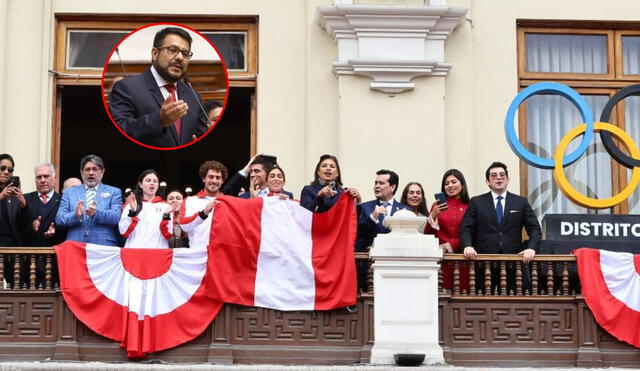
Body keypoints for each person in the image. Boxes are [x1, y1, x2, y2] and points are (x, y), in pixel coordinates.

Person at [109, 27, 209, 148]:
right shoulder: (127, 88)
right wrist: (159, 120)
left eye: (185, 53)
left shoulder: (193, 95)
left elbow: (200, 134)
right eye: (172, 50)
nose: (180, 57)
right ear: (155, 53)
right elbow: (121, 129)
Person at [459, 162, 542, 293]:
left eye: (502, 175)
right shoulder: (477, 202)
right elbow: (466, 228)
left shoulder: (520, 202)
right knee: (483, 303)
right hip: (484, 262)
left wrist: (531, 248)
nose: (499, 178)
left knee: (513, 303)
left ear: (508, 179)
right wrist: (467, 246)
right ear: (487, 181)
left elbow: (535, 229)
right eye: (494, 175)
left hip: (512, 262)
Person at [55, 154, 122, 246]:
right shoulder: (69, 192)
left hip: (104, 246)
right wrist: (76, 215)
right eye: (87, 169)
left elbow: (116, 218)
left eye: (95, 169)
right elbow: (59, 220)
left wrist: (97, 213)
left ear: (102, 171)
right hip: (75, 245)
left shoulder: (114, 192)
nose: (91, 173)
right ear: (82, 172)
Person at [424, 169, 470, 292]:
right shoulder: (436, 205)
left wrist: (450, 245)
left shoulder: (470, 205)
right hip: (442, 261)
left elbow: (473, 233)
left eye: (453, 182)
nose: (450, 186)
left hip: (463, 260)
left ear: (462, 184)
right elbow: (428, 235)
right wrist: (433, 216)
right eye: (446, 183)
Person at [22, 163, 64, 288]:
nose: (43, 180)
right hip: (29, 263)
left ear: (54, 178)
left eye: (46, 176)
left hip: (54, 261)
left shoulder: (63, 200)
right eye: (39, 177)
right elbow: (18, 227)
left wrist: (56, 231)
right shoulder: (25, 199)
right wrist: (31, 227)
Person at [355, 169, 411, 252]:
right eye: (376, 183)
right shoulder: (365, 207)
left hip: (396, 258)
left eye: (381, 183)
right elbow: (357, 234)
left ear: (392, 187)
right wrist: (372, 217)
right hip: (368, 260)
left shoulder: (405, 210)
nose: (377, 186)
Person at [119, 169, 173, 248]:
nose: (152, 183)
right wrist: (133, 212)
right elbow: (123, 232)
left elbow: (168, 234)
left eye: (155, 181)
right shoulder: (131, 205)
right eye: (148, 180)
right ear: (140, 184)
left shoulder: (166, 207)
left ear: (158, 185)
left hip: (158, 253)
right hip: (135, 252)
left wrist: (166, 215)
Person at [179, 160, 227, 248]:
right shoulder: (190, 200)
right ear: (204, 178)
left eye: (218, 177)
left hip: (221, 255)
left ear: (222, 181)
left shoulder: (228, 202)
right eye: (211, 177)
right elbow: (183, 226)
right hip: (197, 255)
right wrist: (203, 214)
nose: (214, 180)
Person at [0, 154, 26, 288]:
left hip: (11, 248)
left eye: (10, 170)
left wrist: (23, 205)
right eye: (2, 168)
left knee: (17, 289)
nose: (6, 172)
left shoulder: (14, 194)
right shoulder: (4, 194)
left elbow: (22, 224)